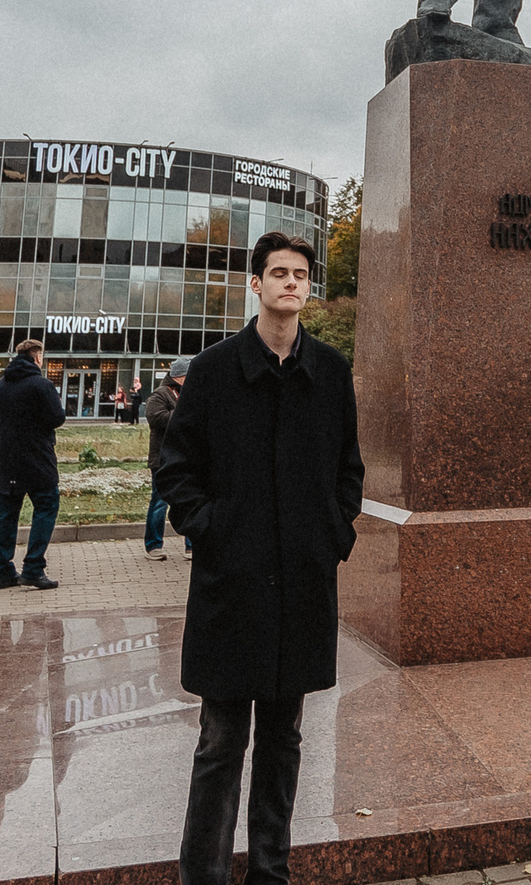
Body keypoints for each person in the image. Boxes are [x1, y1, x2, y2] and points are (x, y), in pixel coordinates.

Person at [154, 231, 362, 885]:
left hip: (301, 583)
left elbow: (349, 469)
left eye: (300, 273)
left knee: (284, 738)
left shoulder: (328, 371)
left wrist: (331, 534)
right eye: (278, 272)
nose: (291, 283)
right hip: (231, 584)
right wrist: (211, 529)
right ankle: (203, 874)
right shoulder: (214, 369)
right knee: (220, 740)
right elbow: (176, 467)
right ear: (257, 284)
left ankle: (271, 870)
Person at [0, 339, 67, 591]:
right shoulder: (42, 385)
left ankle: (3, 572)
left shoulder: (1, 385)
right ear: (37, 357)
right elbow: (57, 417)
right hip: (38, 458)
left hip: (9, 459)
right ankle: (33, 567)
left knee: (7, 515)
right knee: (46, 505)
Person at [144, 359, 190, 559]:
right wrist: (183, 411)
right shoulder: (160, 395)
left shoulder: (189, 394)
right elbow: (156, 418)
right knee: (159, 502)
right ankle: (153, 545)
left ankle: (191, 545)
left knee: (189, 501)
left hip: (186, 458)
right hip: (162, 459)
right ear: (179, 376)